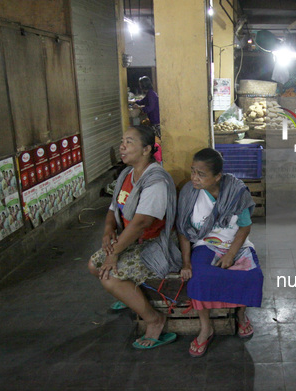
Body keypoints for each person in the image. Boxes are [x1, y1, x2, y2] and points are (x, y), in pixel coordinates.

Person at [88, 125, 181, 349]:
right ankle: (129, 297)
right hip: (131, 241)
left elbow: (141, 224)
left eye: (129, 142)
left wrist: (115, 254)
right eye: (122, 141)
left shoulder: (156, 180)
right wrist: (109, 230)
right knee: (93, 265)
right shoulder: (126, 175)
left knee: (109, 275)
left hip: (153, 244)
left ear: (147, 149)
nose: (122, 146)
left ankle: (154, 320)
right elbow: (113, 208)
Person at [177, 148, 264, 357]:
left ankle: (241, 315)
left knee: (252, 276)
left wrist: (230, 255)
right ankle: (206, 327)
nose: (194, 178)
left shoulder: (236, 191)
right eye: (193, 171)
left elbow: (244, 227)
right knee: (198, 279)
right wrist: (186, 263)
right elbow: (183, 230)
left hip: (236, 243)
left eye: (201, 174)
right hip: (205, 244)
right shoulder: (189, 192)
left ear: (217, 177)